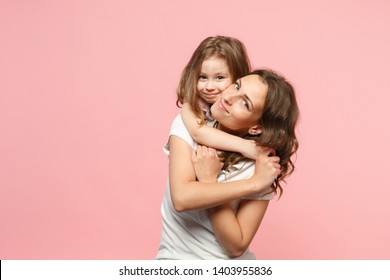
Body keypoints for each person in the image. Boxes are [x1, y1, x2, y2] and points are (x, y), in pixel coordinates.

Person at [155, 69, 299, 259]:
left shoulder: (261, 167)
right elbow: (182, 198)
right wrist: (252, 184)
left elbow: (236, 247)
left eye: (245, 103)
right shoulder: (189, 127)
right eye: (237, 86)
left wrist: (209, 181)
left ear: (256, 128)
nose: (230, 97)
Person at [177, 35, 261, 160]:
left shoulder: (241, 120)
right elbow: (197, 132)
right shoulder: (191, 106)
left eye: (220, 78)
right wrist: (245, 146)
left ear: (237, 78)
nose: (209, 87)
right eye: (202, 77)